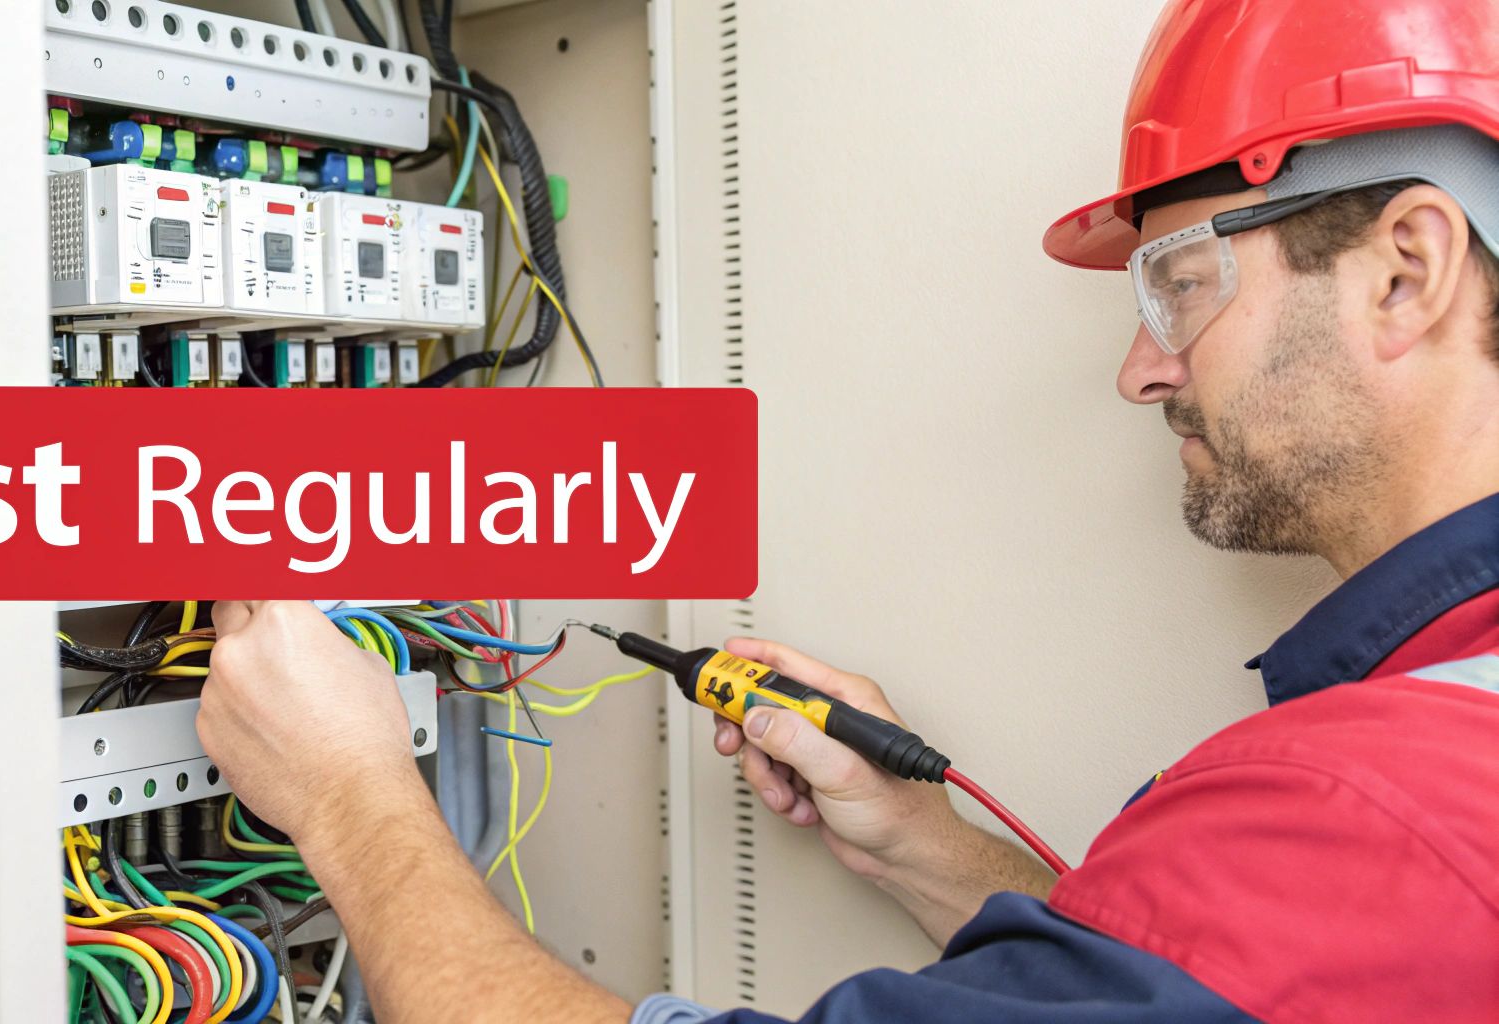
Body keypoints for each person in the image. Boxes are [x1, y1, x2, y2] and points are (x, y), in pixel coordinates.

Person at [196, 1, 1499, 1020]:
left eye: (1180, 280)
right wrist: (927, 845)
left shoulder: (1378, 805)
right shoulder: (1431, 753)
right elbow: (1202, 994)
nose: (1141, 366)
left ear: (1407, 270)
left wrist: (349, 796)